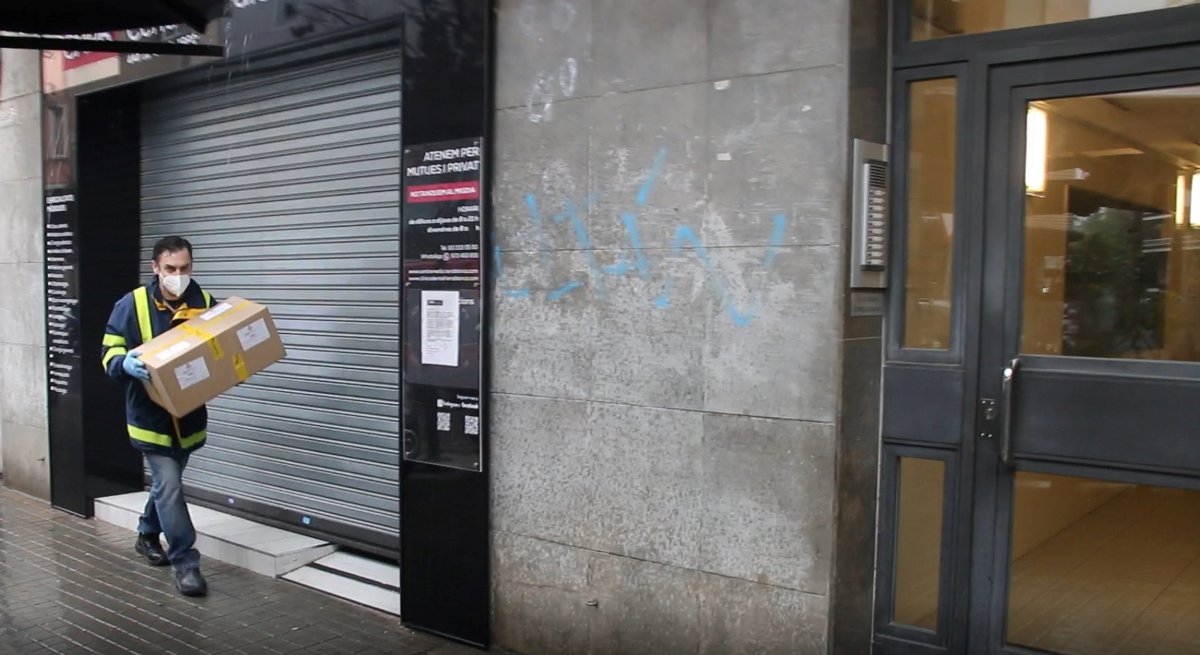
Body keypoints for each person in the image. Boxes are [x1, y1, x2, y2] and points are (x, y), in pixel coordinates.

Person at [100, 236, 214, 597]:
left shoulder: (205, 303)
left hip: (189, 418)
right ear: (155, 268)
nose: (178, 275)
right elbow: (109, 351)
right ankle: (186, 563)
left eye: (184, 268)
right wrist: (123, 363)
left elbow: (220, 351)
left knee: (167, 486)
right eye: (170, 268)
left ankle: (147, 533)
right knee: (170, 484)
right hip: (150, 417)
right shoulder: (132, 304)